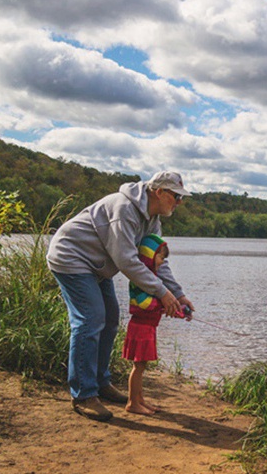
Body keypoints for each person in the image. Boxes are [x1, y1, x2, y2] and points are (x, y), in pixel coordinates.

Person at [47, 171, 195, 421]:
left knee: (110, 319)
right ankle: (83, 394)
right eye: (176, 196)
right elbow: (127, 260)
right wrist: (162, 293)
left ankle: (99, 383)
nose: (179, 202)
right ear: (159, 192)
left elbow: (154, 260)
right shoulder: (124, 209)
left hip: (98, 266)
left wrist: (177, 294)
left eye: (182, 198)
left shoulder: (152, 220)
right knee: (90, 319)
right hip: (71, 257)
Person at [122, 234, 175, 415]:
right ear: (150, 255)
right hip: (140, 328)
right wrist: (162, 304)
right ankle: (132, 403)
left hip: (148, 328)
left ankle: (140, 400)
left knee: (142, 366)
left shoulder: (151, 277)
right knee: (138, 367)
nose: (162, 262)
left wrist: (173, 307)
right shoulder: (140, 279)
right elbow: (143, 303)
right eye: (161, 257)